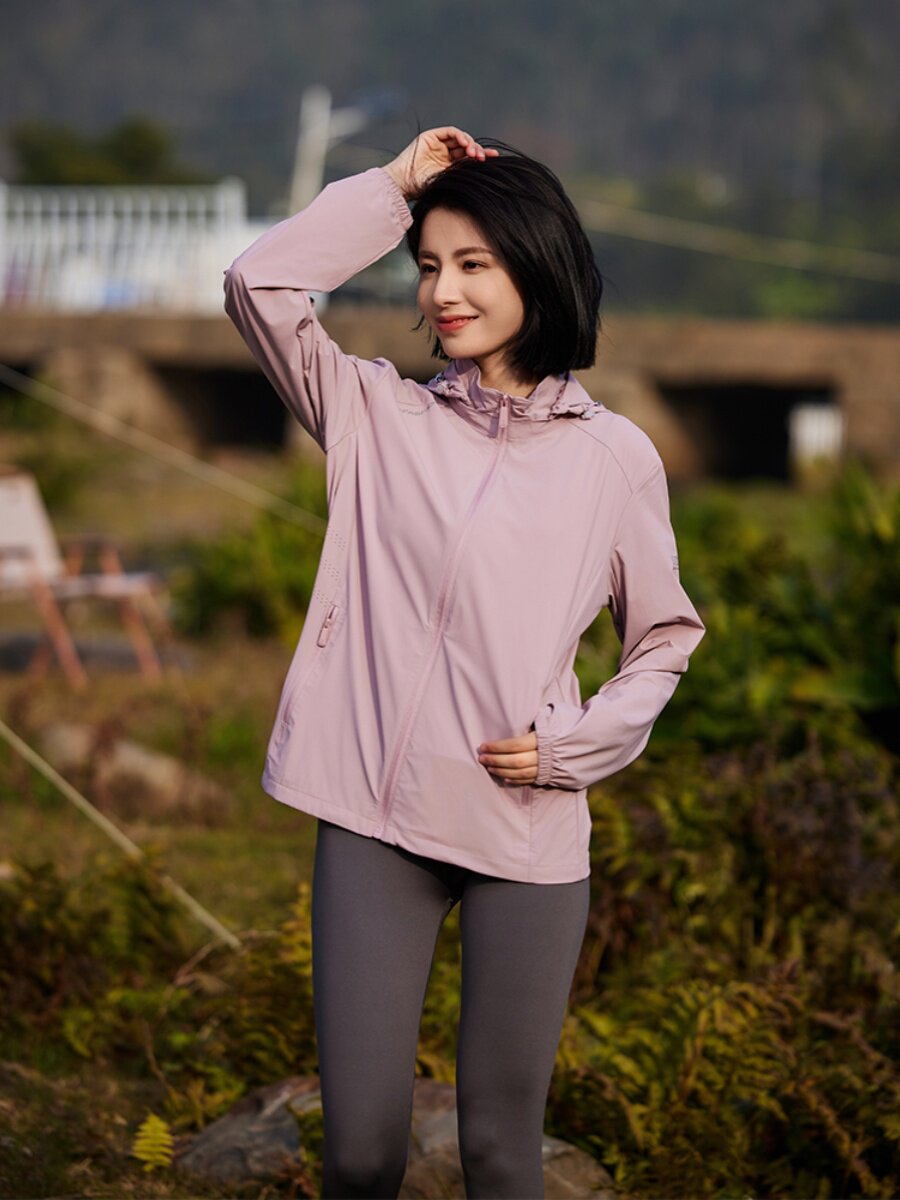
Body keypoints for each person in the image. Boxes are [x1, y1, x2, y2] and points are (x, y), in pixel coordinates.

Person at [223, 126, 706, 1199]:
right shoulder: (375, 415)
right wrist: (397, 186)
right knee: (360, 1156)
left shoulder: (614, 459)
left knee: (498, 1154)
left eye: (474, 263)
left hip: (524, 831)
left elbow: (664, 638)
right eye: (430, 264)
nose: (443, 291)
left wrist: (576, 747)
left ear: (537, 266)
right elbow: (259, 284)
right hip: (373, 820)